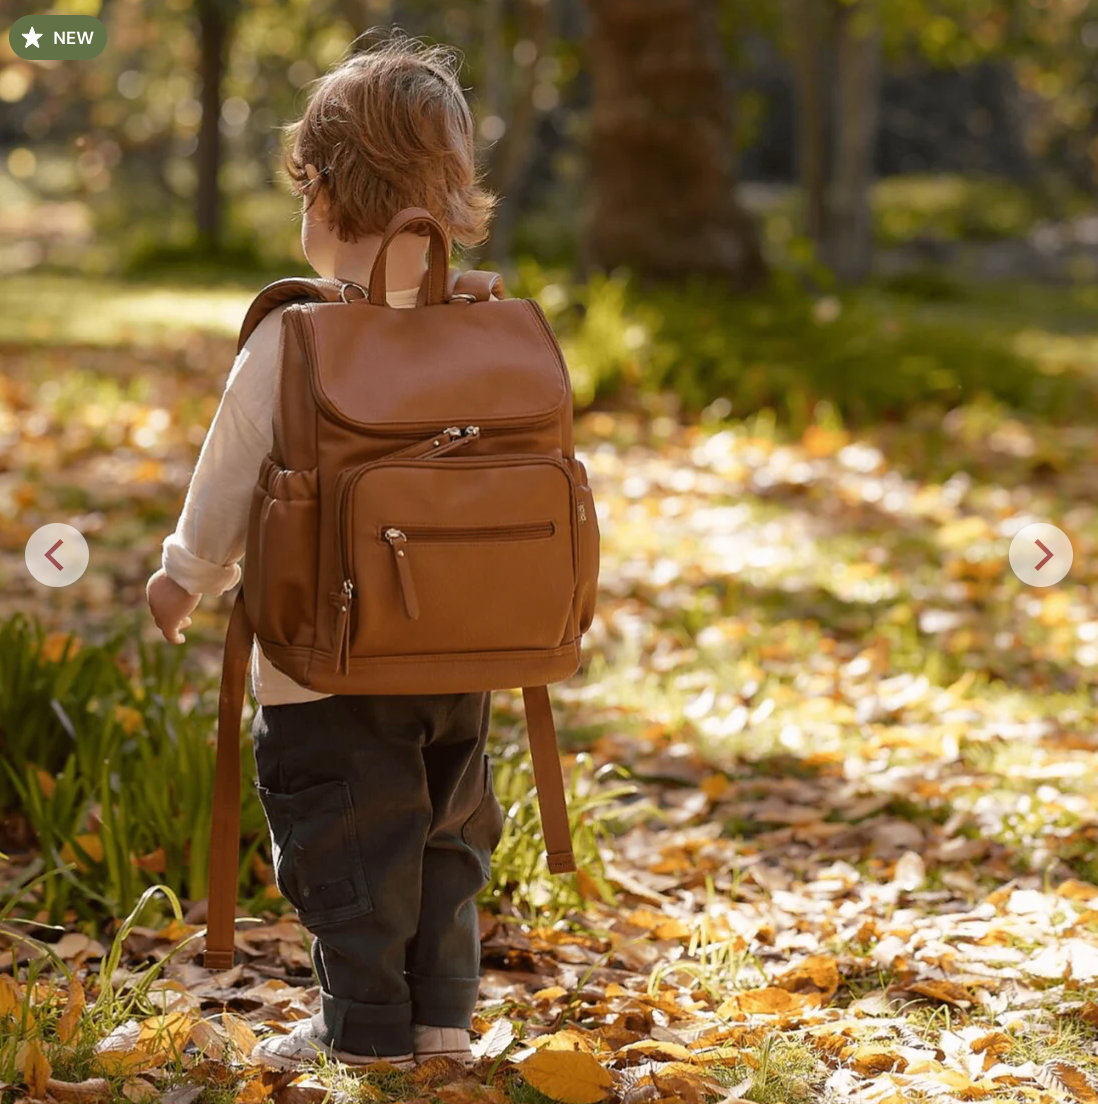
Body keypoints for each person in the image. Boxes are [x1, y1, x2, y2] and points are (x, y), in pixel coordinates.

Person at [146, 34, 504, 1072]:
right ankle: (442, 1020)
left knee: (345, 842)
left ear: (326, 192)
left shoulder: (293, 336)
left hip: (320, 660)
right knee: (445, 836)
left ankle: (366, 1032)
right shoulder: (479, 322)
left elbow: (227, 479)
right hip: (461, 647)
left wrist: (185, 576)